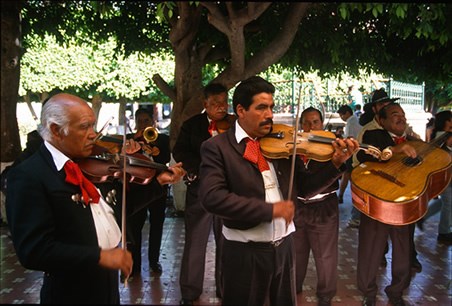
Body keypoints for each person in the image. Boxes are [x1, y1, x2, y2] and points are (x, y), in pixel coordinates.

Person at [5, 93, 185, 304]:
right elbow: (33, 250)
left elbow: (116, 211)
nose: (94, 135)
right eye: (84, 127)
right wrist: (100, 256)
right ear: (55, 130)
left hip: (106, 287)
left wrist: (158, 182)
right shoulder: (29, 175)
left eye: (93, 126)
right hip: (70, 294)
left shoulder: (88, 166)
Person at [198, 76, 359, 306]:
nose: (270, 115)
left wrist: (335, 164)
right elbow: (212, 198)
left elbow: (305, 189)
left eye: (271, 107)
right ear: (241, 110)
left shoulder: (280, 143)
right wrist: (269, 210)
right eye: (262, 108)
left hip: (284, 249)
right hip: (244, 254)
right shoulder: (217, 148)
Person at [350, 89, 422, 273]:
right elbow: (365, 156)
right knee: (375, 236)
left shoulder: (404, 131)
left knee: (404, 237)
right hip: (374, 188)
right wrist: (394, 150)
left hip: (402, 192)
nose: (400, 117)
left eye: (401, 113)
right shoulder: (370, 131)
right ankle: (375, 264)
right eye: (384, 105)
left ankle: (406, 264)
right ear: (377, 112)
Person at [173, 82, 232, 305]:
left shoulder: (235, 124)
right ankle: (189, 292)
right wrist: (199, 168)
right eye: (215, 103)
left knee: (227, 241)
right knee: (195, 241)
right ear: (204, 103)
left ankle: (226, 288)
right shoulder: (192, 125)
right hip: (201, 190)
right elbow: (179, 150)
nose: (221, 107)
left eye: (224, 102)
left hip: (228, 192)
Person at [294, 107, 355, 306]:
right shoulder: (293, 147)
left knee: (325, 256)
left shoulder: (332, 148)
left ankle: (326, 296)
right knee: (296, 252)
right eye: (306, 122)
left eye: (315, 122)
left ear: (322, 124)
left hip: (324, 208)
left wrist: (338, 161)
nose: (311, 127)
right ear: (300, 125)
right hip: (298, 208)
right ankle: (293, 287)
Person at [126, 108, 171, 276]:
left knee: (157, 225)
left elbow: (164, 159)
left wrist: (152, 147)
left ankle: (154, 261)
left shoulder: (163, 139)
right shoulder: (131, 140)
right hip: (138, 190)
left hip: (158, 189)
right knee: (135, 228)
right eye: (140, 121)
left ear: (153, 121)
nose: (143, 124)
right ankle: (135, 266)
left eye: (146, 120)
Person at [417, 110, 451, 244]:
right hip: (446, 174)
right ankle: (444, 232)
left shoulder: (438, 134)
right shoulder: (445, 136)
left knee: (445, 202)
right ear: (446, 121)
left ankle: (424, 217)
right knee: (448, 203)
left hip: (446, 174)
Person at [337, 105, 362, 205]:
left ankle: (341, 195)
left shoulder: (350, 123)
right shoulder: (355, 119)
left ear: (347, 113)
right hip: (357, 151)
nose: (341, 117)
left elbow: (350, 138)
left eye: (342, 115)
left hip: (353, 151)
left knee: (346, 174)